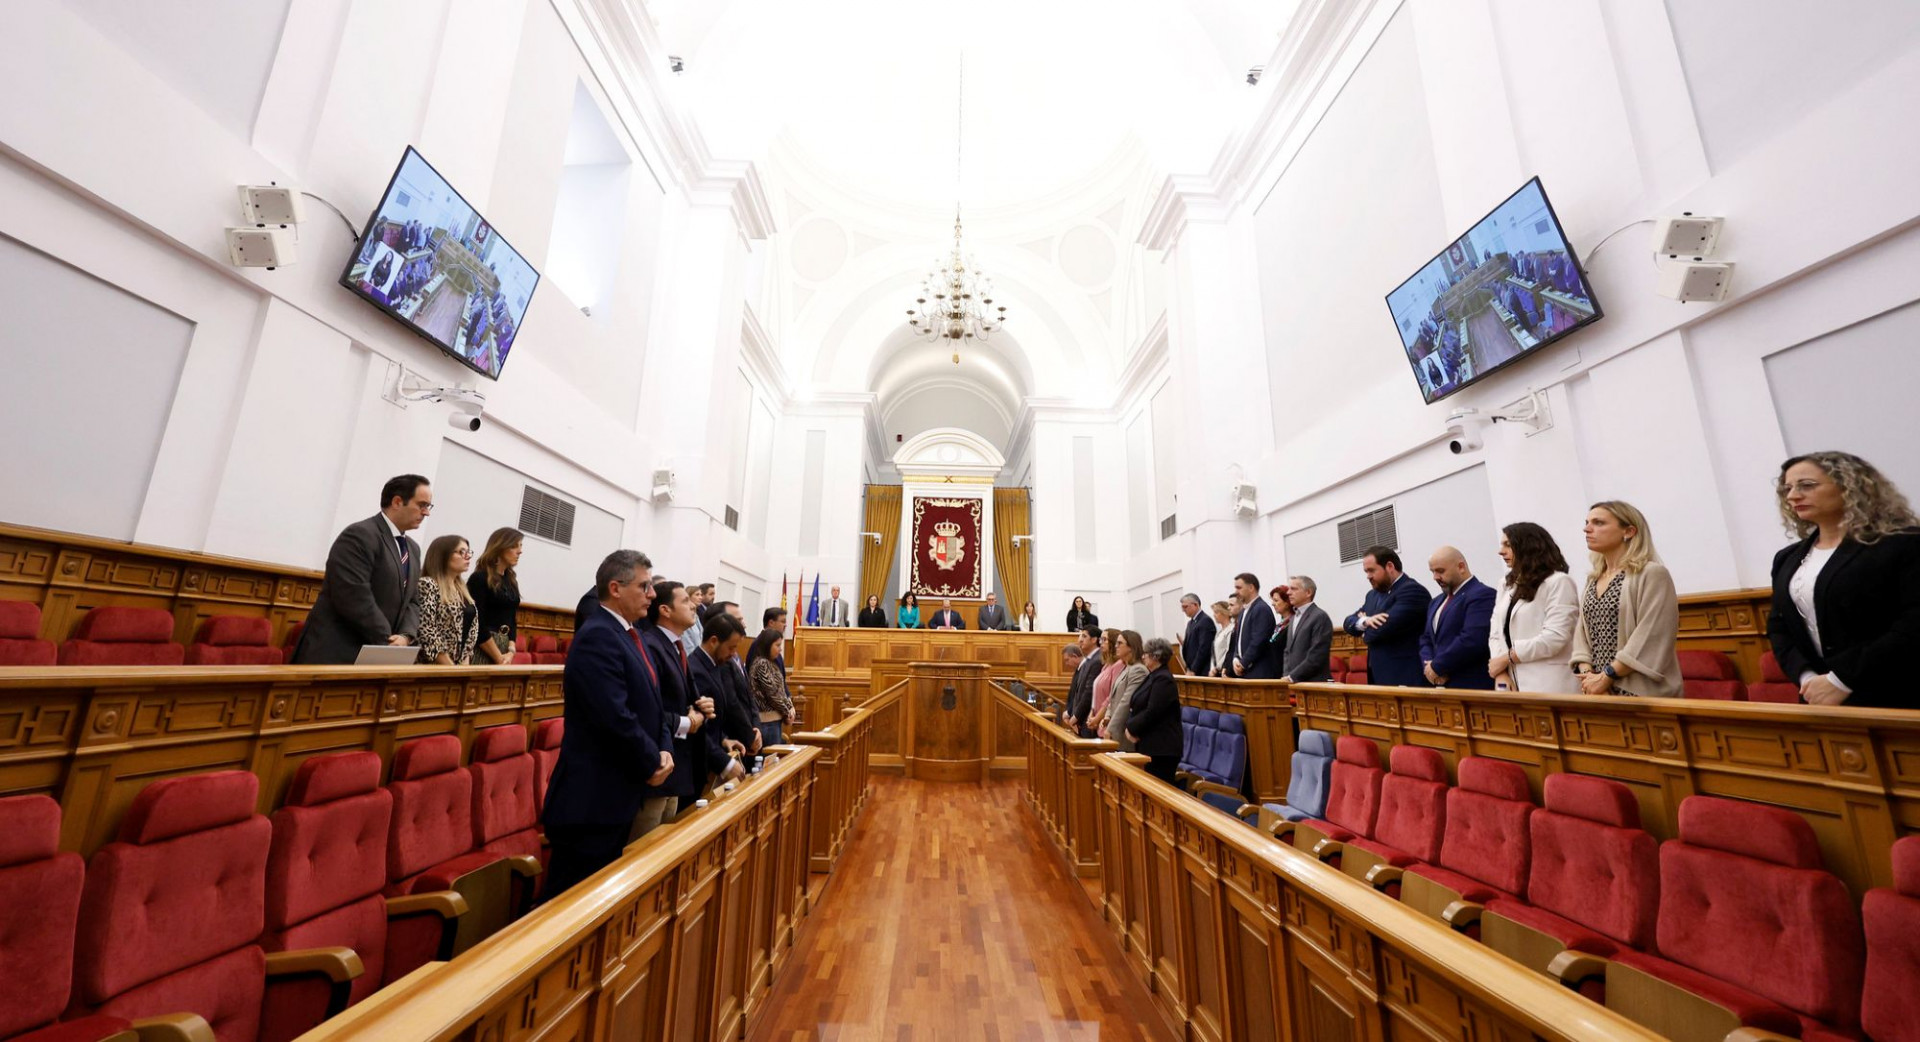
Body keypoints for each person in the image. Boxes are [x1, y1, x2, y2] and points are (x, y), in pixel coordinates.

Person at [541, 550, 673, 898]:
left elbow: (655, 707)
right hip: (591, 801)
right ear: (615, 588)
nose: (652, 594)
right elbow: (613, 717)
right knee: (569, 906)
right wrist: (651, 760)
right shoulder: (597, 636)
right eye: (644, 586)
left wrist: (663, 749)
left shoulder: (633, 635)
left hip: (616, 794)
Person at [1767, 452, 1920, 708]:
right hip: (1818, 697)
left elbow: (1913, 623)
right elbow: (1779, 627)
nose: (1793, 495)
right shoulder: (1787, 558)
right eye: (1787, 488)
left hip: (1896, 693)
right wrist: (1808, 678)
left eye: (1806, 485)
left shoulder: (1903, 543)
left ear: (1850, 487)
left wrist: (1840, 680)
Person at [294, 475, 430, 663]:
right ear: (397, 502)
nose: (426, 513)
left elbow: (413, 601)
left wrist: (406, 636)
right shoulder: (359, 535)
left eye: (428, 507)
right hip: (337, 653)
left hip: (380, 655)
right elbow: (353, 596)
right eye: (422, 505)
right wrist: (388, 641)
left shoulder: (413, 549)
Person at [1570, 501, 1683, 697]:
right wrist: (1589, 677)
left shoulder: (1652, 574)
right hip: (1596, 691)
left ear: (1629, 531)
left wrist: (1607, 677)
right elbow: (1581, 634)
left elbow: (1651, 634)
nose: (1587, 529)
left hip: (1637, 691)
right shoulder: (1593, 578)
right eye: (1587, 522)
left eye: (1598, 523)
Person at [639, 581, 718, 826]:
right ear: (665, 610)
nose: (693, 605)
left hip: (677, 762)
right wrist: (687, 722)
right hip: (657, 761)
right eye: (685, 601)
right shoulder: (652, 645)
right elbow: (649, 708)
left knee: (666, 841)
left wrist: (702, 705)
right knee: (646, 845)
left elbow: (687, 696)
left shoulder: (676, 646)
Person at [1487, 522, 1580, 693]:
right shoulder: (1506, 584)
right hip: (1511, 681)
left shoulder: (1558, 582)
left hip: (1549, 683)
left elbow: (1556, 637)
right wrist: (1500, 671)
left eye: (1508, 545)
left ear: (1528, 546)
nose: (1501, 551)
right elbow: (1495, 632)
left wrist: (1508, 658)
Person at [1342, 548, 1432, 686]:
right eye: (1366, 572)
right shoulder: (1372, 595)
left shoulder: (1412, 591)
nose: (1368, 576)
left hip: (1405, 676)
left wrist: (1364, 633)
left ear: (1390, 566)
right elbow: (1348, 623)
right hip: (1378, 676)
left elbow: (1381, 630)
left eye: (1371, 570)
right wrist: (1366, 621)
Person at [1416, 547, 1497, 689]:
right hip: (1439, 684)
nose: (1435, 577)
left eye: (1440, 571)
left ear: (1461, 567)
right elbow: (1426, 639)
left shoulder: (1482, 595)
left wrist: (1437, 666)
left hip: (1470, 685)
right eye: (1432, 572)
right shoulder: (1436, 602)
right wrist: (1429, 667)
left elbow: (1472, 639)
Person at [689, 611, 756, 769]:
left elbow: (714, 721)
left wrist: (724, 739)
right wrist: (725, 764)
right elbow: (699, 728)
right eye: (731, 648)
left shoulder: (715, 666)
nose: (733, 654)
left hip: (713, 754)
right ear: (714, 641)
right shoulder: (696, 669)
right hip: (698, 763)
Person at [1126, 639, 1183, 786]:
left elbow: (1152, 712)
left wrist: (1131, 728)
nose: (1143, 656)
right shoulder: (1153, 676)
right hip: (1150, 745)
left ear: (1156, 656)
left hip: (1162, 749)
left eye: (1146, 654)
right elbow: (1136, 705)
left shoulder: (1164, 679)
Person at [415, 535, 479, 665]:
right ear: (443, 555)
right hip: (433, 666)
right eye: (461, 552)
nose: (467, 556)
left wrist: (463, 666)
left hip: (458, 667)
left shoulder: (462, 590)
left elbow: (471, 633)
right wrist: (450, 667)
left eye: (468, 552)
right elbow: (427, 631)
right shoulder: (428, 584)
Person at [468, 528, 523, 664]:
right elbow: (476, 622)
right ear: (500, 547)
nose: (520, 551)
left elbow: (512, 619)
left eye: (520, 546)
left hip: (505, 648)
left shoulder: (511, 581)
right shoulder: (480, 578)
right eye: (514, 546)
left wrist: (511, 650)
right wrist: (498, 657)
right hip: (483, 647)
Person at [745, 628, 796, 746]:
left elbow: (781, 690)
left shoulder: (770, 662)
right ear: (767, 645)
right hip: (767, 722)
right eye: (777, 645)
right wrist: (787, 712)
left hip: (774, 720)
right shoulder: (762, 664)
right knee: (769, 760)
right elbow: (772, 693)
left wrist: (789, 707)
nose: (780, 649)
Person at [1279, 577, 1333, 684]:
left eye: (1294, 589)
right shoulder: (1294, 617)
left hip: (1314, 684)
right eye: (1289, 589)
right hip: (1294, 683)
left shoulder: (1319, 617)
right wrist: (1286, 675)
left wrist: (1292, 677)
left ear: (1308, 592)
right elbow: (1287, 651)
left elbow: (1317, 655)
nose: (1288, 593)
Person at [1101, 631, 1148, 752]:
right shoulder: (1126, 667)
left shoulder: (1138, 670)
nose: (1116, 646)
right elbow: (1114, 697)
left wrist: (1110, 729)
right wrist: (1107, 716)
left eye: (1120, 643)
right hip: (1117, 728)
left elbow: (1126, 702)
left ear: (1131, 646)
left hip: (1125, 731)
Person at [1230, 573, 1281, 679]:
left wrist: (1243, 663)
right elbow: (1238, 641)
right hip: (1246, 671)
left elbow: (1258, 641)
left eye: (1239, 588)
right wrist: (1236, 658)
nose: (1236, 592)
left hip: (1259, 671)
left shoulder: (1261, 609)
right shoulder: (1243, 611)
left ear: (1251, 588)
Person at [1061, 625, 1103, 737]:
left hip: (1088, 718)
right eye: (1080, 636)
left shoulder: (1097, 660)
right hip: (1083, 720)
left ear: (1094, 640)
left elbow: (1089, 692)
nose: (1080, 640)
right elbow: (1078, 692)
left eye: (1084, 636)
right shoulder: (1089, 660)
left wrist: (1076, 716)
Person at [1087, 630, 1123, 738]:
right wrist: (1091, 714)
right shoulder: (1106, 666)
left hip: (1106, 722)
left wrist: (1097, 718)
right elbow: (1096, 694)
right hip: (1098, 720)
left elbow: (1111, 696)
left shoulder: (1119, 665)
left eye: (1104, 639)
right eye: (1100, 639)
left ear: (1113, 642)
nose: (1101, 643)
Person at [1178, 593, 1215, 676]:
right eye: (1182, 607)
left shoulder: (1205, 621)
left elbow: (1204, 648)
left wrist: (1194, 669)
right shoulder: (1190, 623)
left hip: (1202, 671)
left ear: (1195, 605)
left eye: (1185, 607)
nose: (1183, 610)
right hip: (1192, 669)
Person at [1209, 601, 1236, 677]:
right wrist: (1212, 667)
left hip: (1225, 670)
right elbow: (1214, 652)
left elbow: (1229, 650)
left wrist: (1218, 667)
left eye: (1216, 612)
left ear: (1225, 613)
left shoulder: (1231, 629)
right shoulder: (1219, 632)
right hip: (1217, 670)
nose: (1214, 615)